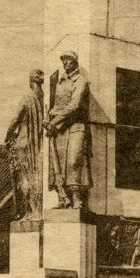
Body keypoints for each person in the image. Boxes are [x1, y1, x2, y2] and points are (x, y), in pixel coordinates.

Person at [45, 51, 92, 210]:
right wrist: (50, 117)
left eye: (68, 60)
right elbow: (57, 106)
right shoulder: (60, 83)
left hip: (76, 126)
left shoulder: (81, 81)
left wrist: (54, 121)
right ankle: (62, 197)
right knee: (58, 163)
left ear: (75, 62)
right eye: (63, 60)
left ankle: (77, 197)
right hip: (61, 129)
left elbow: (75, 105)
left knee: (74, 161)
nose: (65, 63)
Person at [5, 70, 45, 219]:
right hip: (39, 145)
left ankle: (31, 211)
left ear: (30, 82)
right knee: (36, 176)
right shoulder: (44, 99)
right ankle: (36, 210)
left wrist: (7, 136)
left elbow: (16, 119)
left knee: (24, 178)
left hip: (24, 143)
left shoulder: (27, 98)